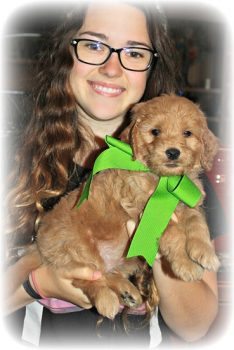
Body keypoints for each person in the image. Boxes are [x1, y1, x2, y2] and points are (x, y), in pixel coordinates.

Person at [4, 1, 219, 348]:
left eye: (134, 53)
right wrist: (38, 284)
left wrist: (160, 229)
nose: (111, 67)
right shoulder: (11, 156)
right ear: (65, 54)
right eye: (93, 45)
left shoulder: (179, 168)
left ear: (151, 66)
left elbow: (197, 327)